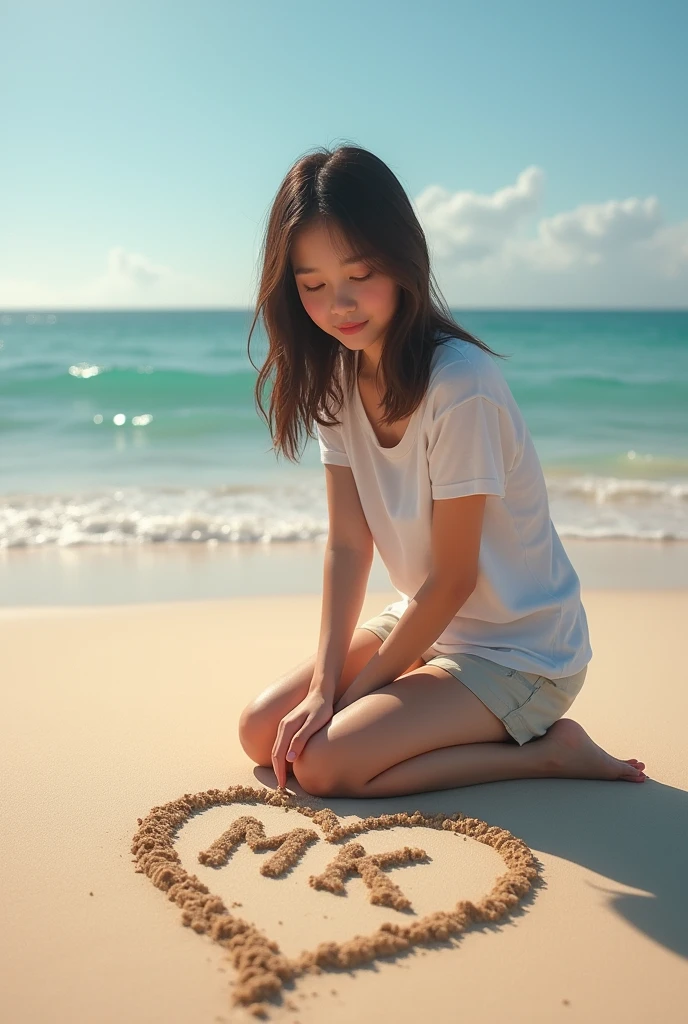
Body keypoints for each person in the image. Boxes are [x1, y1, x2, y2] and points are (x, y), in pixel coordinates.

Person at [238, 144, 647, 798]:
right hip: (424, 623)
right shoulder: (338, 378)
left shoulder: (462, 386)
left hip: (520, 651)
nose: (339, 304)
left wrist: (359, 695)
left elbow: (455, 578)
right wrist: (323, 688)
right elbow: (348, 545)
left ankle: (548, 754)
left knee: (323, 764)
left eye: (358, 274)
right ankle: (375, 707)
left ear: (402, 261)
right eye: (312, 285)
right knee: (261, 731)